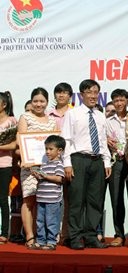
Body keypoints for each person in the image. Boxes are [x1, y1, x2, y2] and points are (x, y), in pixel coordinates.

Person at [61, 79, 111, 250]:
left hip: (97, 161)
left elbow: (103, 140)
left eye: (96, 92)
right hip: (78, 160)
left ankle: (91, 236)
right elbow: (66, 140)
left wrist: (106, 161)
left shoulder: (100, 114)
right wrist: (67, 164)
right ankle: (74, 237)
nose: (93, 96)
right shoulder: (72, 114)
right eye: (89, 92)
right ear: (81, 95)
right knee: (76, 200)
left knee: (95, 201)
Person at [17, 87, 57, 249]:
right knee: (29, 200)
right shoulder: (25, 117)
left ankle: (43, 237)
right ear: (31, 102)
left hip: (47, 167)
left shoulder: (51, 121)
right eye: (35, 101)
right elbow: (21, 141)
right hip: (29, 166)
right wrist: (28, 160)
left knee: (44, 202)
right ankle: (29, 236)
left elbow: (55, 144)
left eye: (42, 101)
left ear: (47, 102)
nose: (38, 104)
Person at [47, 82, 73, 246]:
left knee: (69, 199)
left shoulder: (75, 113)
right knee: (51, 199)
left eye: (64, 93)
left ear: (70, 95)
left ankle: (67, 233)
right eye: (58, 92)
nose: (61, 95)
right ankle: (51, 234)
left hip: (70, 160)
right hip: (50, 161)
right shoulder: (48, 114)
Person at [105, 89, 128, 247]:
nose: (119, 103)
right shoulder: (108, 121)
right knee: (116, 199)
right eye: (116, 101)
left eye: (122, 100)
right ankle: (119, 234)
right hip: (116, 162)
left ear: (127, 101)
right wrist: (107, 140)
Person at [30, 135, 66, 251]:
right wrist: (37, 175)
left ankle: (51, 241)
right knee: (40, 221)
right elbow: (43, 179)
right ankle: (40, 240)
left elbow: (59, 179)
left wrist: (45, 176)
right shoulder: (44, 164)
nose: (47, 152)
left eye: (50, 149)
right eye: (46, 149)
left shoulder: (59, 164)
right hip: (41, 198)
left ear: (59, 151)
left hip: (52, 200)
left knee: (51, 221)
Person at [0, 92, 17, 245]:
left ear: (4, 105)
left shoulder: (11, 121)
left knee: (3, 199)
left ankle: (4, 233)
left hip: (4, 165)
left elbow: (13, 145)